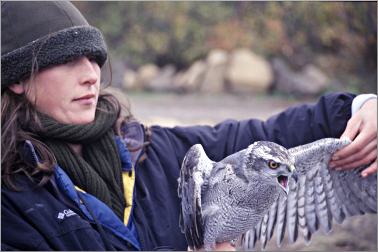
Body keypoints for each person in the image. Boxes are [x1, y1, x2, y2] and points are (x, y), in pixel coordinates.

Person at [1, 1, 376, 251]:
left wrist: (363, 107)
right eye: (66, 61)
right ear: (17, 78)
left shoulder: (151, 151)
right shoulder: (11, 196)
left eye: (94, 58)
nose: (90, 76)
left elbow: (266, 137)